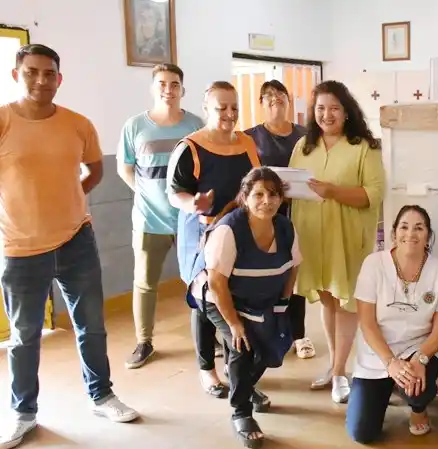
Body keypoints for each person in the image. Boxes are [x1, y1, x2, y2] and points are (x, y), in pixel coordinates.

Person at [0, 44, 139, 449]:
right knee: (25, 336)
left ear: (59, 79)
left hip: (76, 239)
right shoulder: (3, 121)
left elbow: (94, 170)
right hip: (21, 247)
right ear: (16, 75)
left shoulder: (78, 124)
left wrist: (70, 198)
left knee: (91, 326)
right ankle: (23, 413)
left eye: (49, 73)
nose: (41, 80)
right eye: (32, 72)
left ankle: (102, 396)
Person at [166, 81, 272, 410]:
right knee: (204, 299)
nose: (229, 114)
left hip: (238, 231)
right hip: (202, 231)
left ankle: (236, 370)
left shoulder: (247, 143)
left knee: (233, 298)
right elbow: (175, 192)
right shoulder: (190, 147)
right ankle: (207, 370)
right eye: (221, 107)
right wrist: (193, 203)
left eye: (234, 108)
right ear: (207, 109)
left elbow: (254, 183)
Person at [187, 167, 300, 448]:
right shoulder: (229, 230)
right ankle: (241, 412)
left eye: (273, 194)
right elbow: (217, 283)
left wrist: (282, 305)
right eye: (258, 194)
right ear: (245, 197)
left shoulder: (285, 227)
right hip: (217, 297)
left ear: (281, 197)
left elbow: (293, 267)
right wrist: (235, 324)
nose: (267, 201)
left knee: (273, 344)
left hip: (257, 297)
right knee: (244, 344)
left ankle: (244, 385)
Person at [289, 80, 385, 403]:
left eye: (334, 108)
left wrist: (332, 191)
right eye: (320, 108)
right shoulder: (303, 146)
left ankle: (342, 371)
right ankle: (335, 366)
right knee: (327, 298)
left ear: (347, 112)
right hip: (312, 236)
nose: (326, 115)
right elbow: (292, 186)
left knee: (347, 302)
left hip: (347, 238)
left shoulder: (364, 147)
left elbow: (373, 194)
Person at [117, 63, 204, 369]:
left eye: (174, 84)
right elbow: (125, 167)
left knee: (200, 279)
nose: (169, 89)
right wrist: (145, 194)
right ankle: (144, 342)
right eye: (163, 84)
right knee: (145, 283)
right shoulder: (135, 126)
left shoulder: (195, 125)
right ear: (153, 88)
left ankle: (209, 339)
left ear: (183, 89)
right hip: (149, 220)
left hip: (189, 219)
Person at [345, 205, 438, 443]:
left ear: (428, 235)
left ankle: (418, 408)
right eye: (404, 227)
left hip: (417, 349)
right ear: (394, 234)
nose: (411, 234)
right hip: (378, 352)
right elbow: (367, 322)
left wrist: (420, 358)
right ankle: (387, 388)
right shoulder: (373, 264)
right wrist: (390, 363)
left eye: (419, 228)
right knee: (362, 433)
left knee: (418, 390)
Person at [245, 79, 315, 360]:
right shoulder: (250, 137)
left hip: (300, 213)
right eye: (268, 96)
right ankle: (266, 333)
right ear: (261, 104)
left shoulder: (305, 135)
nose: (275, 98)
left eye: (280, 94)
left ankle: (299, 335)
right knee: (266, 273)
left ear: (289, 100)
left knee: (295, 272)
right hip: (264, 215)